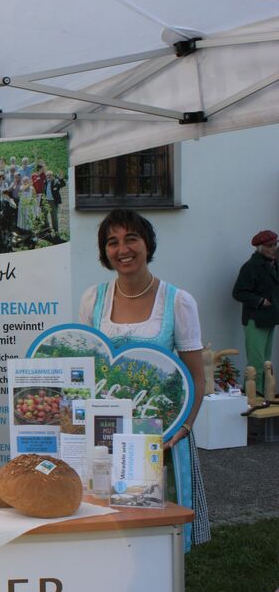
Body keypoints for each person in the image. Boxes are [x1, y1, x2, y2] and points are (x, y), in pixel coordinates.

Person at [78, 208, 209, 549]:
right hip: (106, 432)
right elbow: (86, 367)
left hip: (160, 433)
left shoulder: (177, 301)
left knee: (157, 530)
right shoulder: (93, 299)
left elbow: (197, 375)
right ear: (104, 252)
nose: (123, 249)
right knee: (106, 522)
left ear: (147, 244)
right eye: (112, 242)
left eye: (131, 238)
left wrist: (183, 430)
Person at [232, 230, 279, 394]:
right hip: (255, 320)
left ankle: (266, 394)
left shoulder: (274, 264)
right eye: (269, 246)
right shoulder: (251, 266)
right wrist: (260, 301)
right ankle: (253, 395)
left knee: (266, 363)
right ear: (260, 247)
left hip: (270, 319)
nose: (273, 248)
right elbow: (238, 292)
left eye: (275, 245)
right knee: (256, 364)